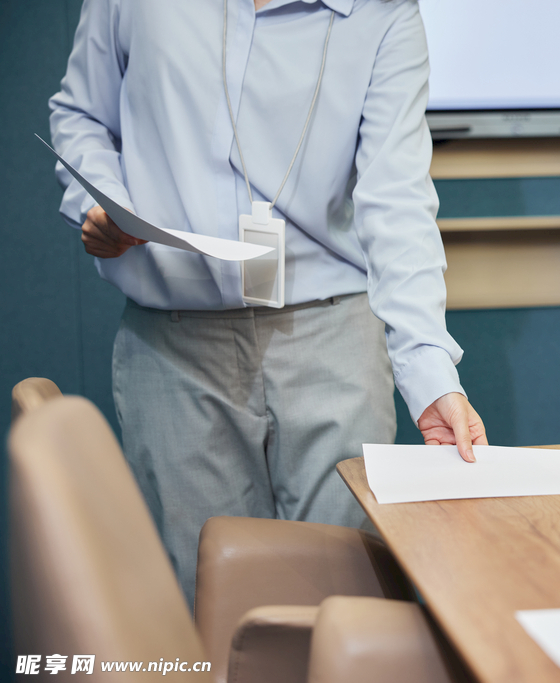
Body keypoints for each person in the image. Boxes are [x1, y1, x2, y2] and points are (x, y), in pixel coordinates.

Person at [49, 0, 486, 607]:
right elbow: (80, 115)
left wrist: (431, 375)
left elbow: (398, 199)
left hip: (332, 333)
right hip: (172, 343)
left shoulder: (384, 15)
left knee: (345, 597)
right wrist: (101, 203)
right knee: (208, 598)